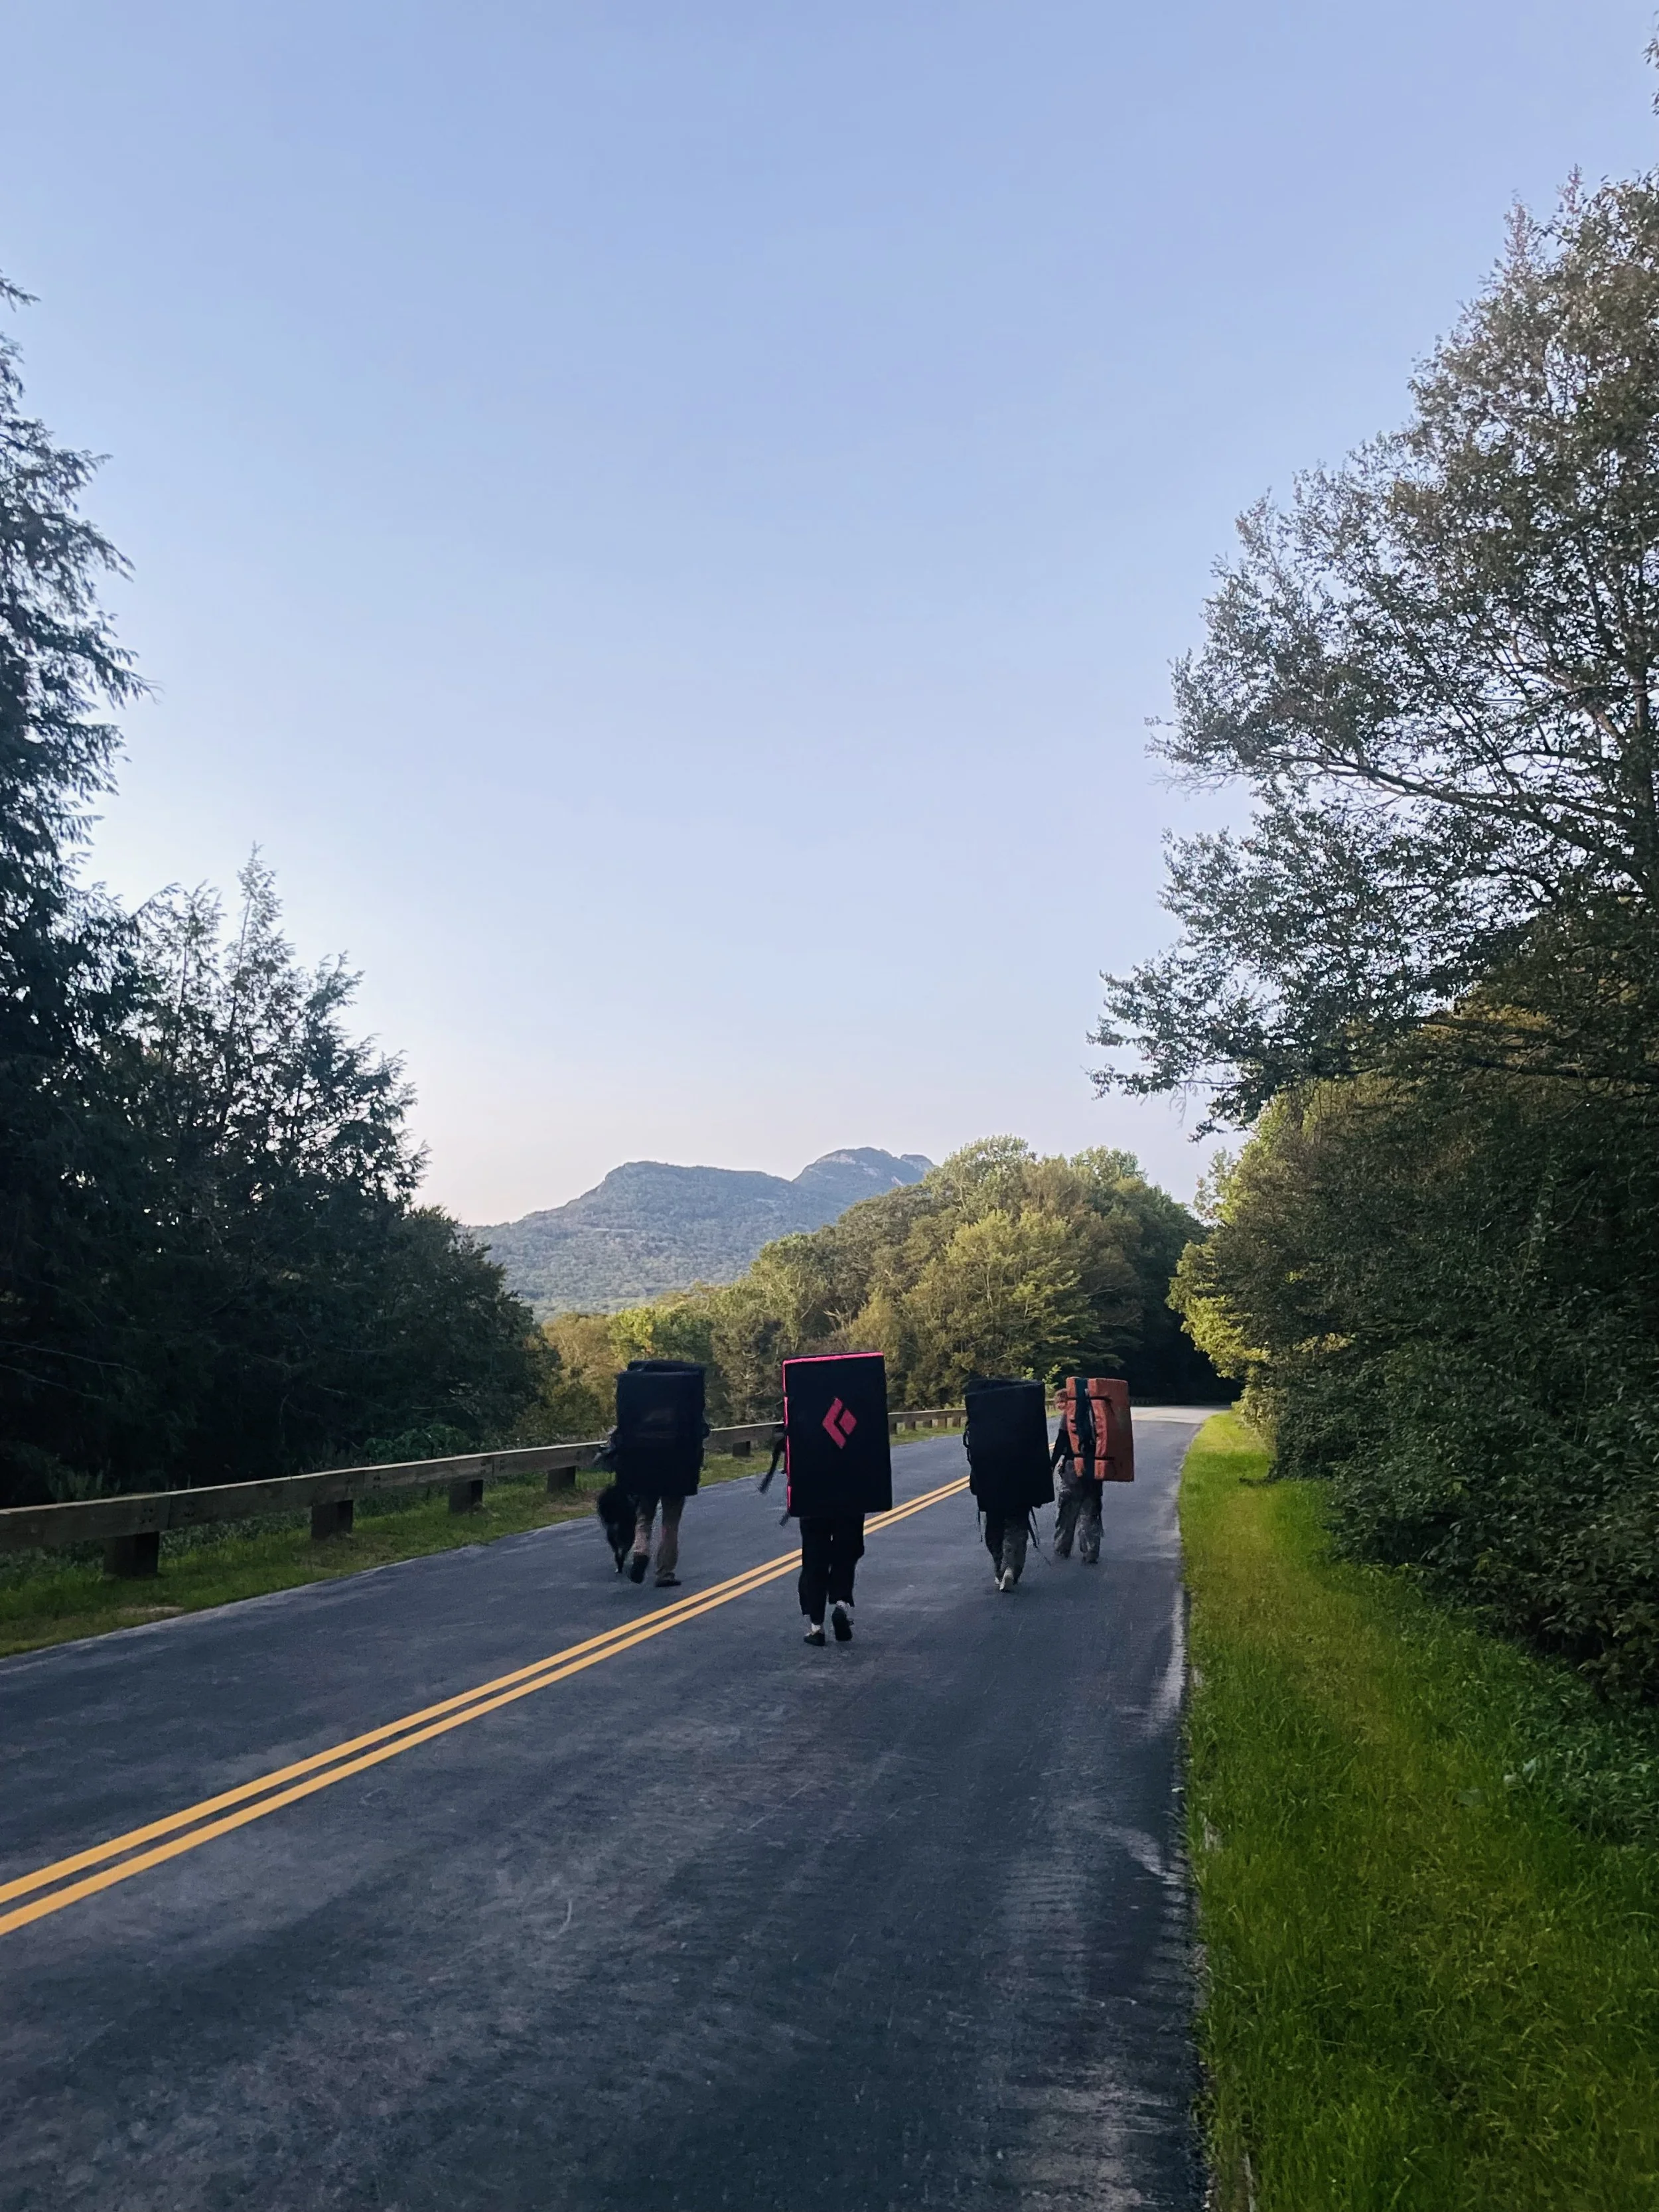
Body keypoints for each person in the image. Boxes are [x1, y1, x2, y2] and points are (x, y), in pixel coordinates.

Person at [764, 1351, 893, 1644]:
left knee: (815, 1555)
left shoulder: (801, 1408)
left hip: (813, 1490)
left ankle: (816, 1626)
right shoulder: (861, 1403)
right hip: (852, 1488)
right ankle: (842, 1603)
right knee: (847, 1550)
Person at [605, 1359, 707, 1588]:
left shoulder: (640, 1411)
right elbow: (700, 1431)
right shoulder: (682, 1408)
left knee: (644, 1517)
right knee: (670, 1522)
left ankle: (641, 1551)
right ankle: (665, 1574)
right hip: (677, 1468)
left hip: (643, 1466)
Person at [963, 1374, 1054, 1591]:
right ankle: (1011, 1569)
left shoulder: (983, 1425)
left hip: (991, 1486)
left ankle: (999, 1569)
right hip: (1021, 1483)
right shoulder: (1024, 1422)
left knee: (993, 1528)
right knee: (1017, 1527)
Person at [1050, 1374, 1135, 1564]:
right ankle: (1091, 1551)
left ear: (1067, 1400)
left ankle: (1062, 1547)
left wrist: (1051, 1464)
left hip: (1073, 1469)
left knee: (1067, 1510)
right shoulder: (1099, 1417)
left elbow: (1061, 1443)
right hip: (1096, 1468)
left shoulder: (1070, 1416)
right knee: (1091, 1509)